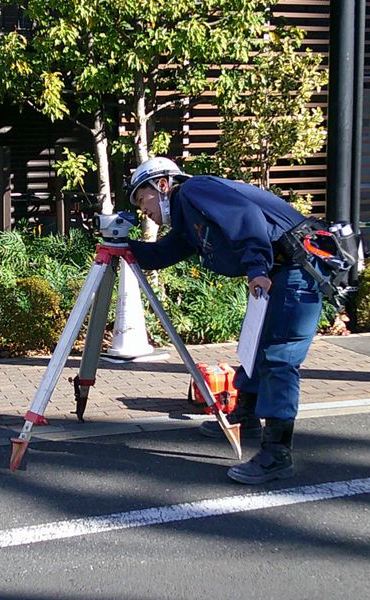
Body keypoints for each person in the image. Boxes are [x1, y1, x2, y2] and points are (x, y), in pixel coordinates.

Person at [126, 156, 323, 485]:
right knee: (255, 347)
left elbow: (245, 218)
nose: (142, 209)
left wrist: (257, 268)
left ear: (162, 185)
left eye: (141, 198)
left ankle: (277, 454)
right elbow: (160, 255)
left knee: (278, 358)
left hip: (297, 269)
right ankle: (244, 417)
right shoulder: (188, 220)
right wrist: (121, 245)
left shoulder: (194, 191)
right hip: (277, 272)